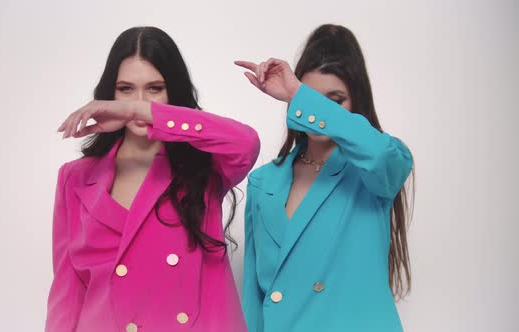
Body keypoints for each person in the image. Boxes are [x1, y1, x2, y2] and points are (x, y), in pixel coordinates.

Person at [46, 26, 259, 332]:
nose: (140, 100)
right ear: (111, 92)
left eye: (155, 88)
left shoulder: (204, 165)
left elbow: (246, 143)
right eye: (126, 89)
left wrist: (139, 110)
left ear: (173, 91)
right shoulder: (75, 177)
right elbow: (67, 290)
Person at [236, 24, 414, 331]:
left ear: (357, 102)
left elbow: (381, 155)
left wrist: (300, 95)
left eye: (336, 100)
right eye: (311, 98)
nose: (317, 112)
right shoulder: (264, 182)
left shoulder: (376, 168)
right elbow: (254, 297)